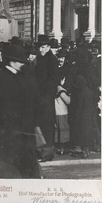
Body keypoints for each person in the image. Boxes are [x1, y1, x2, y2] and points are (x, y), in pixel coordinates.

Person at [0, 44, 40, 178]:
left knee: (26, 162)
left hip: (24, 127)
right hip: (13, 129)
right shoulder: (5, 78)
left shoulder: (18, 76)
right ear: (12, 62)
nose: (21, 64)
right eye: (19, 61)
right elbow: (2, 106)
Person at [34, 34, 60, 162]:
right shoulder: (40, 58)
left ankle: (48, 152)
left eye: (43, 47)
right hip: (40, 97)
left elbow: (54, 79)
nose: (41, 50)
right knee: (41, 124)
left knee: (47, 125)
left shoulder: (51, 59)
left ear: (49, 47)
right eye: (40, 47)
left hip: (46, 98)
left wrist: (45, 94)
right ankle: (42, 150)